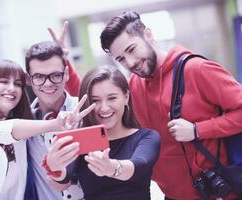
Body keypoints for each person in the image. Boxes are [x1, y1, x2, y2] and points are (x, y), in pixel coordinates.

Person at [99, 11, 242, 199]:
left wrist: (198, 130)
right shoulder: (133, 86)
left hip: (217, 193)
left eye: (132, 49)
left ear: (148, 34)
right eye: (121, 59)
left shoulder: (196, 69)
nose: (130, 62)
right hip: (171, 196)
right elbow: (102, 97)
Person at [0, 60, 94, 200]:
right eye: (3, 81)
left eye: (17, 84)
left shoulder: (24, 137)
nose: (11, 88)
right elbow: (3, 130)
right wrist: (56, 123)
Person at [44, 66, 161, 200]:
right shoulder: (81, 140)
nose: (104, 108)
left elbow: (139, 165)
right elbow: (62, 184)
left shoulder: (147, 137)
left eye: (112, 98)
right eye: (95, 100)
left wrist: (112, 168)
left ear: (126, 97)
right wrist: (54, 166)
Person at [23, 40, 84, 200]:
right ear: (29, 79)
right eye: (38, 77)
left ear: (66, 74)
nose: (48, 83)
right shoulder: (23, 121)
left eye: (56, 75)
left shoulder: (85, 112)